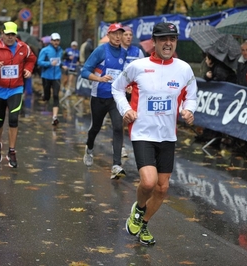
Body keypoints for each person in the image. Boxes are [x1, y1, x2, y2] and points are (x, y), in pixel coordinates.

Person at [112, 22, 197, 245]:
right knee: (148, 183)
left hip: (168, 135)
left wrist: (189, 110)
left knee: (162, 188)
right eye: (163, 39)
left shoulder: (184, 68)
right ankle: (138, 210)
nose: (168, 43)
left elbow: (191, 94)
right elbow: (116, 88)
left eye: (172, 39)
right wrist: (126, 109)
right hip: (142, 132)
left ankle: (144, 224)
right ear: (155, 42)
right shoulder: (138, 66)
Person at [0, 21, 37, 168]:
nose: (10, 37)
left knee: (13, 118)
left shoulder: (24, 48)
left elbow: (32, 59)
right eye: (7, 34)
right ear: (2, 34)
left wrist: (28, 69)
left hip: (16, 88)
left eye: (12, 34)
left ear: (15, 35)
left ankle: (12, 151)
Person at [81, 23, 127, 179]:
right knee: (95, 127)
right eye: (114, 34)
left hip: (116, 97)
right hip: (99, 96)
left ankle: (116, 165)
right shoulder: (101, 50)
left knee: (118, 127)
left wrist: (127, 86)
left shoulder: (124, 53)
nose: (118, 37)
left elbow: (123, 74)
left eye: (120, 33)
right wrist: (99, 78)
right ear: (108, 35)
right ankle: (89, 148)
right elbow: (84, 71)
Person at [120, 26, 145, 158]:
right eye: (126, 35)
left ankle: (139, 147)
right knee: (120, 119)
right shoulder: (116, 51)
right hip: (120, 90)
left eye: (130, 35)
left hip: (134, 90)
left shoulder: (138, 52)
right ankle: (121, 146)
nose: (129, 37)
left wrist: (133, 85)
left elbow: (143, 71)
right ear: (120, 37)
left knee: (134, 118)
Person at [37, 32, 66, 125]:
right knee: (47, 96)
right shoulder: (45, 50)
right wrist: (49, 63)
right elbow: (39, 62)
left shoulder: (61, 51)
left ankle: (54, 117)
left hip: (57, 76)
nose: (56, 42)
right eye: (54, 40)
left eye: (57, 40)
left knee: (56, 96)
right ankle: (44, 96)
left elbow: (58, 61)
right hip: (46, 76)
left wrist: (62, 66)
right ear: (51, 41)